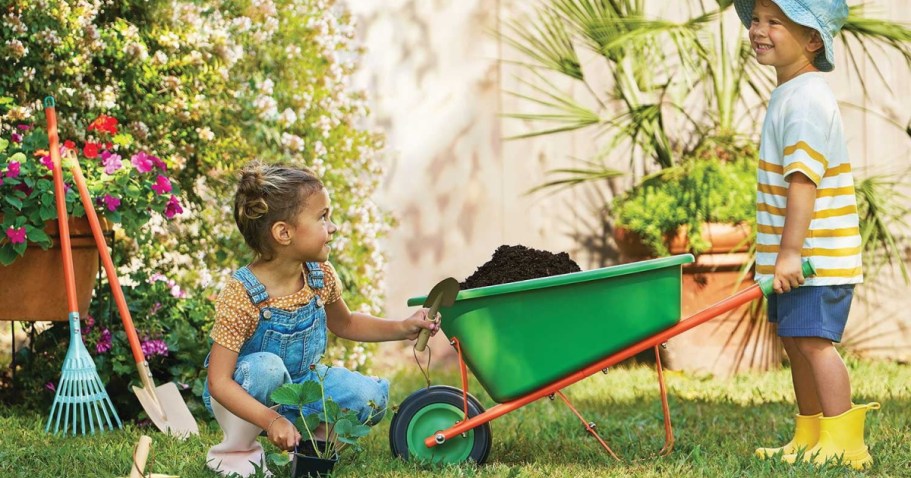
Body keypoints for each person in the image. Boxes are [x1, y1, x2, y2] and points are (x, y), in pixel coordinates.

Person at [204, 161, 439, 476]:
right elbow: (218, 382)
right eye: (322, 217)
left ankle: (307, 447)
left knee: (370, 398)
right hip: (244, 392)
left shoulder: (319, 276)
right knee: (267, 368)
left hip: (301, 385)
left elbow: (346, 323)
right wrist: (270, 419)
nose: (333, 227)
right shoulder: (242, 294)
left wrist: (402, 328)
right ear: (284, 233)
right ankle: (237, 453)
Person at [733, 0, 880, 470]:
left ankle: (846, 441)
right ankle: (811, 432)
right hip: (795, 258)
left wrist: (790, 252)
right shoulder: (789, 92)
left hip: (815, 256)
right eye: (756, 19)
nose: (759, 29)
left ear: (813, 40)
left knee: (814, 343)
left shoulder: (807, 99)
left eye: (775, 22)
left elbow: (803, 179)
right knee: (796, 342)